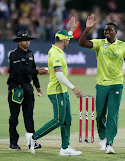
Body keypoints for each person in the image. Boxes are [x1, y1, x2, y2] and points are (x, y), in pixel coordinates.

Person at [78, 14, 125, 154]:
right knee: (99, 116)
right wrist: (87, 29)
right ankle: (103, 138)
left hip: (116, 84)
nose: (107, 32)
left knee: (112, 115)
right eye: (105, 30)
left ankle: (110, 143)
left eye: (110, 30)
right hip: (101, 85)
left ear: (116, 32)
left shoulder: (123, 46)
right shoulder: (99, 43)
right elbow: (81, 43)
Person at [25, 17, 83, 156]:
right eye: (67, 39)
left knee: (67, 120)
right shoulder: (55, 54)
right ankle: (33, 137)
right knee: (58, 120)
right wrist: (73, 87)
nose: (69, 40)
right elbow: (59, 75)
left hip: (62, 91)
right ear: (64, 41)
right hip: (56, 91)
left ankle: (64, 148)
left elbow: (67, 35)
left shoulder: (57, 49)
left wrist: (72, 30)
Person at [7, 30, 48, 150]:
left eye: (28, 40)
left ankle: (32, 142)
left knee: (29, 116)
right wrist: (37, 72)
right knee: (14, 117)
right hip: (16, 88)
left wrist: (38, 86)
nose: (28, 42)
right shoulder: (13, 55)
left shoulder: (30, 54)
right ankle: (13, 143)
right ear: (19, 42)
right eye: (25, 40)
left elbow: (33, 70)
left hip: (28, 88)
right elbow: (20, 71)